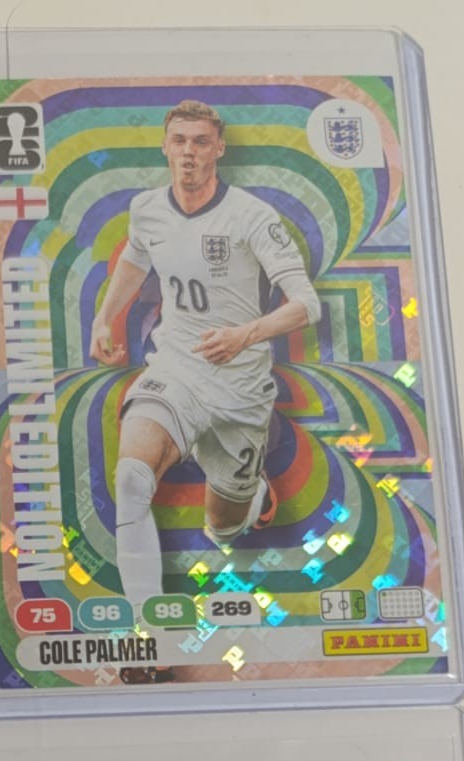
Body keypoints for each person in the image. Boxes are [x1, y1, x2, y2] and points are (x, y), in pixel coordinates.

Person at [88, 100, 322, 611]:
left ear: (219, 148)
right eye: (180, 141)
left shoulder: (252, 216)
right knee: (131, 479)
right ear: (165, 147)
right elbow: (135, 259)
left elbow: (307, 305)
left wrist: (245, 335)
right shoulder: (147, 208)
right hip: (176, 367)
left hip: (239, 387)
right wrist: (103, 316)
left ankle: (250, 493)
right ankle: (146, 625)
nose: (189, 152)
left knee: (223, 528)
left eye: (200, 141)